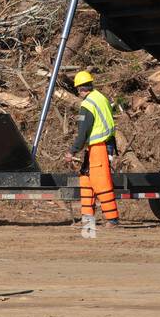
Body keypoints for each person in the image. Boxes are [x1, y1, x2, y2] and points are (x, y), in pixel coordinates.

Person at [68, 70, 119, 228]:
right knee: (86, 179)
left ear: (80, 89)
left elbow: (83, 131)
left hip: (99, 146)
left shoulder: (87, 104)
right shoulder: (101, 97)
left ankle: (112, 219)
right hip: (102, 145)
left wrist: (72, 151)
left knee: (101, 183)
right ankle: (87, 219)